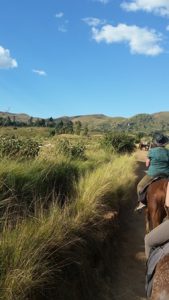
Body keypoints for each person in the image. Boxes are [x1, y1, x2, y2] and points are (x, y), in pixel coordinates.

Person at [135, 132, 169, 211]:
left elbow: (147, 164)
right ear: (164, 143)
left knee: (140, 186)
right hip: (167, 175)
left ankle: (142, 203)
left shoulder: (151, 151)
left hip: (153, 174)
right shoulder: (168, 152)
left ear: (155, 142)